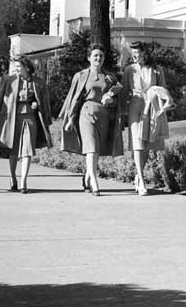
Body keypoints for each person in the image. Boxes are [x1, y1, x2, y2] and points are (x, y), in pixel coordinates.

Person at [59, 44, 121, 196]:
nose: (98, 58)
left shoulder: (110, 77)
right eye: (95, 56)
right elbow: (75, 99)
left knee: (96, 150)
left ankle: (87, 177)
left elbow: (117, 101)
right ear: (89, 58)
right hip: (86, 114)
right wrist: (70, 119)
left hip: (104, 115)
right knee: (91, 148)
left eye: (101, 56)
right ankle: (94, 182)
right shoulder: (80, 76)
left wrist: (110, 100)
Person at [0, 56, 52, 193]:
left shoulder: (38, 82)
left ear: (26, 67)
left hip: (30, 118)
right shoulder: (9, 80)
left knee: (27, 150)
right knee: (13, 150)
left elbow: (45, 102)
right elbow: (2, 99)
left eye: (19, 67)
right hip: (12, 118)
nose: (16, 69)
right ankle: (13, 178)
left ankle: (23, 181)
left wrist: (37, 105)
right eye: (15, 67)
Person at [119, 42, 169, 196]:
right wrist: (121, 112)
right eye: (134, 53)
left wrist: (163, 104)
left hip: (152, 107)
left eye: (139, 53)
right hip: (135, 106)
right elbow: (123, 91)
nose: (136, 56)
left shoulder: (156, 69)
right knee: (137, 143)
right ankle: (141, 179)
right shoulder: (129, 70)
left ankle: (138, 175)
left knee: (147, 143)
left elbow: (163, 88)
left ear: (145, 53)